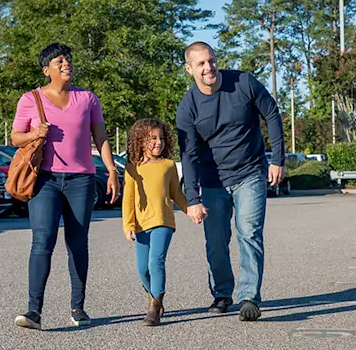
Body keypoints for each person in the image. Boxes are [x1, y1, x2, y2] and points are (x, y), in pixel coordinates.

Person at [11, 43, 121, 330]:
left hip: (81, 180)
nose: (66, 63)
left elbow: (101, 138)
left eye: (68, 59)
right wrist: (34, 133)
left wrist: (111, 171)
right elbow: (15, 137)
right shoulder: (30, 99)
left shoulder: (87, 98)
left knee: (77, 243)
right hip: (45, 179)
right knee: (42, 241)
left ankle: (78, 308)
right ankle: (34, 311)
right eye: (59, 60)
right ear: (47, 69)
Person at [176, 41, 284, 322]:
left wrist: (277, 160)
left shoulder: (243, 82)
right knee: (216, 241)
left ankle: (248, 297)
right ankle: (223, 293)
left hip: (250, 173)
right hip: (213, 181)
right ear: (189, 69)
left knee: (249, 233)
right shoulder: (188, 107)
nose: (208, 67)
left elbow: (271, 113)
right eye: (200, 64)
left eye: (211, 60)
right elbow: (188, 154)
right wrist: (193, 198)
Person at [121, 118, 194, 327]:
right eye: (152, 138)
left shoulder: (169, 166)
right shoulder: (132, 168)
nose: (158, 142)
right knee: (142, 269)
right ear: (140, 140)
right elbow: (128, 200)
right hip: (141, 225)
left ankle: (155, 307)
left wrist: (191, 209)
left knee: (156, 262)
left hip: (163, 222)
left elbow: (176, 194)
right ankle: (153, 296)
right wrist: (128, 225)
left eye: (161, 138)